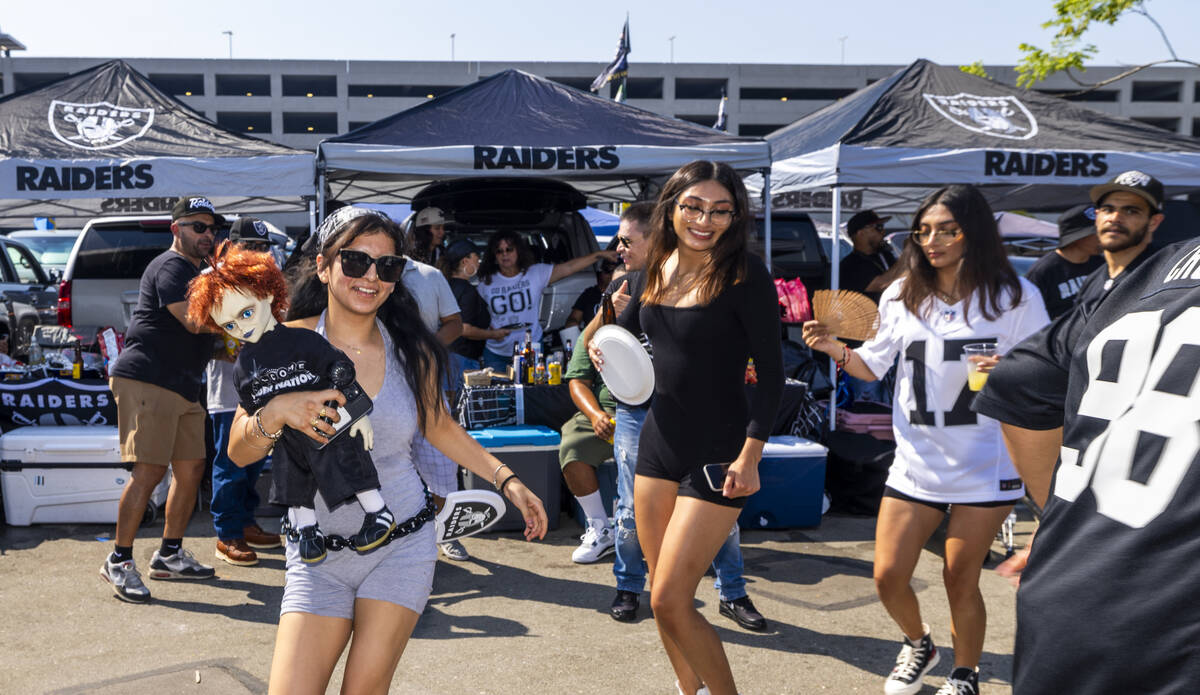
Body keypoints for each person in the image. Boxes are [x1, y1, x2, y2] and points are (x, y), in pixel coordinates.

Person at [224, 206, 547, 694]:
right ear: (324, 266)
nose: (371, 276)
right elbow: (239, 453)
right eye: (355, 261)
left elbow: (439, 426)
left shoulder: (413, 351)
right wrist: (277, 412)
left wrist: (508, 478)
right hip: (317, 558)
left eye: (387, 266)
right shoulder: (282, 343)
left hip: (401, 544)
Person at [803, 184, 1049, 695]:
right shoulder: (901, 293)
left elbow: (1043, 373)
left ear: (974, 232)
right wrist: (833, 348)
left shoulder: (1015, 297)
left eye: (947, 229)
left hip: (987, 461)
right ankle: (920, 643)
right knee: (887, 575)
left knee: (961, 576)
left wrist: (1005, 372)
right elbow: (872, 368)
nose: (932, 240)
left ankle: (965, 674)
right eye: (924, 230)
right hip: (916, 459)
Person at [972, 227, 1200, 692]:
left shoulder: (1153, 273)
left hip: (1068, 606)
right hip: (1167, 626)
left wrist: (1061, 518)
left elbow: (1020, 383)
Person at [596, 161, 783, 695]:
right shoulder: (656, 266)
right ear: (672, 208)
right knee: (663, 595)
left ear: (736, 216)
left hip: (720, 451)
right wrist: (602, 345)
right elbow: (624, 334)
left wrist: (751, 456)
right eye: (694, 207)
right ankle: (689, 688)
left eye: (721, 210)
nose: (706, 219)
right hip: (658, 441)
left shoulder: (745, 273)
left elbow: (772, 376)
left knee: (670, 599)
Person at [189, 240, 399, 566]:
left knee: (344, 456)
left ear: (268, 294)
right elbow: (253, 410)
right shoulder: (244, 366)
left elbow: (341, 371)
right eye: (230, 325)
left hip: (331, 421)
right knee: (289, 475)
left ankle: (378, 512)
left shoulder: (302, 339)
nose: (242, 327)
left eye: (246, 313)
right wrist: (266, 429)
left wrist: (358, 414)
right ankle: (307, 530)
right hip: (288, 438)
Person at [99, 195, 224, 603]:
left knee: (191, 470)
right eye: (198, 227)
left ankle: (169, 553)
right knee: (150, 472)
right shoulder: (171, 266)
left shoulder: (200, 271)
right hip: (149, 380)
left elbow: (210, 335)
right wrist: (245, 318)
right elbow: (193, 320)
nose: (208, 235)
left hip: (184, 385)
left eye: (212, 228)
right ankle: (118, 560)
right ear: (176, 229)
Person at [205, 217, 283, 567]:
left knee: (254, 460)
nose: (258, 253)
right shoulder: (212, 279)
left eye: (264, 247)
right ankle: (227, 535)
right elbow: (199, 333)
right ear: (232, 245)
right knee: (231, 462)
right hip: (227, 390)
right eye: (251, 246)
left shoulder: (267, 278)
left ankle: (246, 522)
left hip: (263, 386)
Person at [396, 230, 470, 560]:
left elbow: (455, 323)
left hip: (426, 384)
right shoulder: (363, 275)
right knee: (390, 463)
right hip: (376, 386)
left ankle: (445, 531)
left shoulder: (429, 275)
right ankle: (399, 539)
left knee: (442, 461)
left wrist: (430, 347)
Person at [476, 231, 617, 372]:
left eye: (509, 249)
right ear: (494, 256)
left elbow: (569, 268)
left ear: (518, 251)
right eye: (499, 251)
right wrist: (488, 331)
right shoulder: (486, 282)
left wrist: (599, 255)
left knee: (532, 392)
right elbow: (476, 315)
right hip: (497, 352)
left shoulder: (535, 273)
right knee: (498, 393)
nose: (505, 254)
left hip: (530, 349)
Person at [558, 336, 618, 563]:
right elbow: (578, 381)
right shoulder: (600, 328)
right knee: (573, 443)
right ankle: (601, 528)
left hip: (655, 415)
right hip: (607, 415)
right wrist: (595, 415)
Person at [1073, 170, 1166, 309]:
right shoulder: (1092, 281)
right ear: (1097, 217)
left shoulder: (1164, 276)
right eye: (1108, 209)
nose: (1115, 218)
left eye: (1131, 211)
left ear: (1154, 222)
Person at [438, 239, 512, 395]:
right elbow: (463, 329)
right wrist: (493, 334)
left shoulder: (443, 285)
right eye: (476, 259)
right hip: (461, 359)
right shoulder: (467, 291)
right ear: (465, 261)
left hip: (444, 356)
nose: (478, 263)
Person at [1024, 203, 1103, 320]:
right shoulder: (1043, 271)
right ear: (1077, 237)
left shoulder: (1102, 264)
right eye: (1096, 232)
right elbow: (1029, 317)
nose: (1102, 236)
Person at [840, 210, 897, 303]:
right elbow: (881, 284)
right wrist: (907, 256)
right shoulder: (850, 265)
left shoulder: (886, 256)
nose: (883, 232)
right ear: (860, 233)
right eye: (878, 227)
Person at [563, 259, 618, 329]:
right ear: (601, 273)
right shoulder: (589, 294)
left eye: (615, 271)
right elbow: (574, 318)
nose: (611, 274)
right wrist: (572, 325)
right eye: (607, 270)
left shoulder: (626, 292)